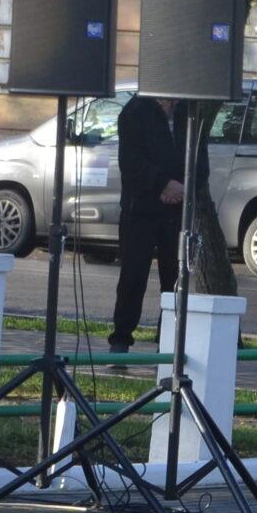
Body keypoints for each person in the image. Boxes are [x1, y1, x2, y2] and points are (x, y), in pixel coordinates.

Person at [106, 91, 186, 353]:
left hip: (177, 209)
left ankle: (170, 340)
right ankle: (121, 338)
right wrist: (163, 184)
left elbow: (199, 157)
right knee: (133, 274)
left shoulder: (188, 111)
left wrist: (183, 188)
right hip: (140, 207)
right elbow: (131, 162)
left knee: (175, 277)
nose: (170, 101)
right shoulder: (135, 111)